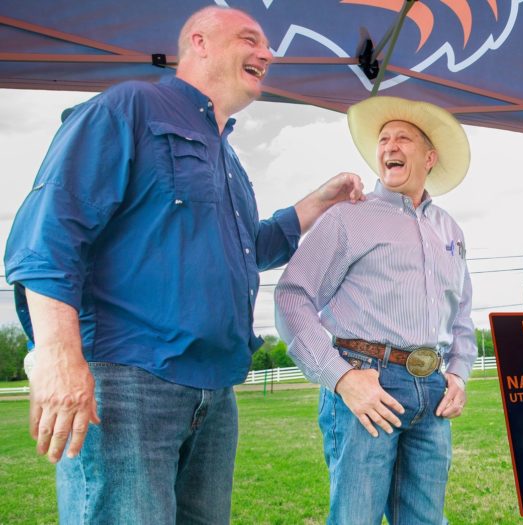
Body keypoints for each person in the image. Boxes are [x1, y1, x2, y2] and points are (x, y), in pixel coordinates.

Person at [3, 6, 365, 524]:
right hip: (128, 385)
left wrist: (318, 201)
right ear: (199, 42)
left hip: (215, 395)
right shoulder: (131, 107)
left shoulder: (229, 158)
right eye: (250, 39)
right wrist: (58, 355)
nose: (268, 53)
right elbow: (49, 230)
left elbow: (250, 248)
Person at [275, 95, 476, 524]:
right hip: (367, 384)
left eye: (403, 138)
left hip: (431, 393)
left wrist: (458, 372)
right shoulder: (349, 218)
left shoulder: (451, 231)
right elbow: (292, 295)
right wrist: (342, 378)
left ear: (429, 157)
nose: (389, 146)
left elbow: (461, 315)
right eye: (384, 139)